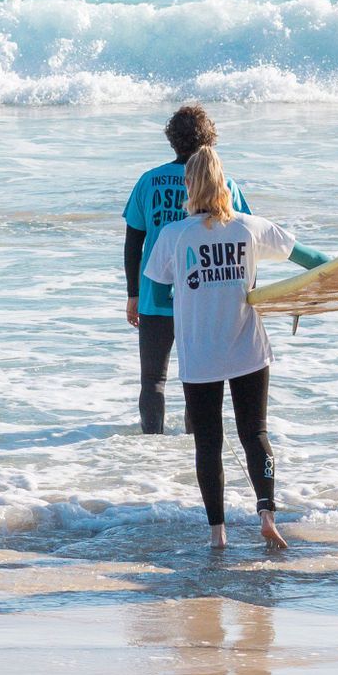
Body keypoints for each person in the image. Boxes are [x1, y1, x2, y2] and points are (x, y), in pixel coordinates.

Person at [143, 146, 327, 551]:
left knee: (208, 442)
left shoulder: (173, 236)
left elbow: (156, 291)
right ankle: (267, 515)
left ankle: (217, 534)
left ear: (189, 186)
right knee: (255, 433)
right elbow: (312, 259)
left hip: (200, 352)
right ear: (225, 184)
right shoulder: (249, 227)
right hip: (247, 347)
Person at [124, 103, 248, 433]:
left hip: (154, 294)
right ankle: (199, 442)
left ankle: (152, 446)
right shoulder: (225, 185)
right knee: (201, 376)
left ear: (172, 139)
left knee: (152, 380)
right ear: (208, 140)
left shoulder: (148, 181)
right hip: (207, 292)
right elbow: (242, 241)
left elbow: (133, 241)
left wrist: (133, 294)